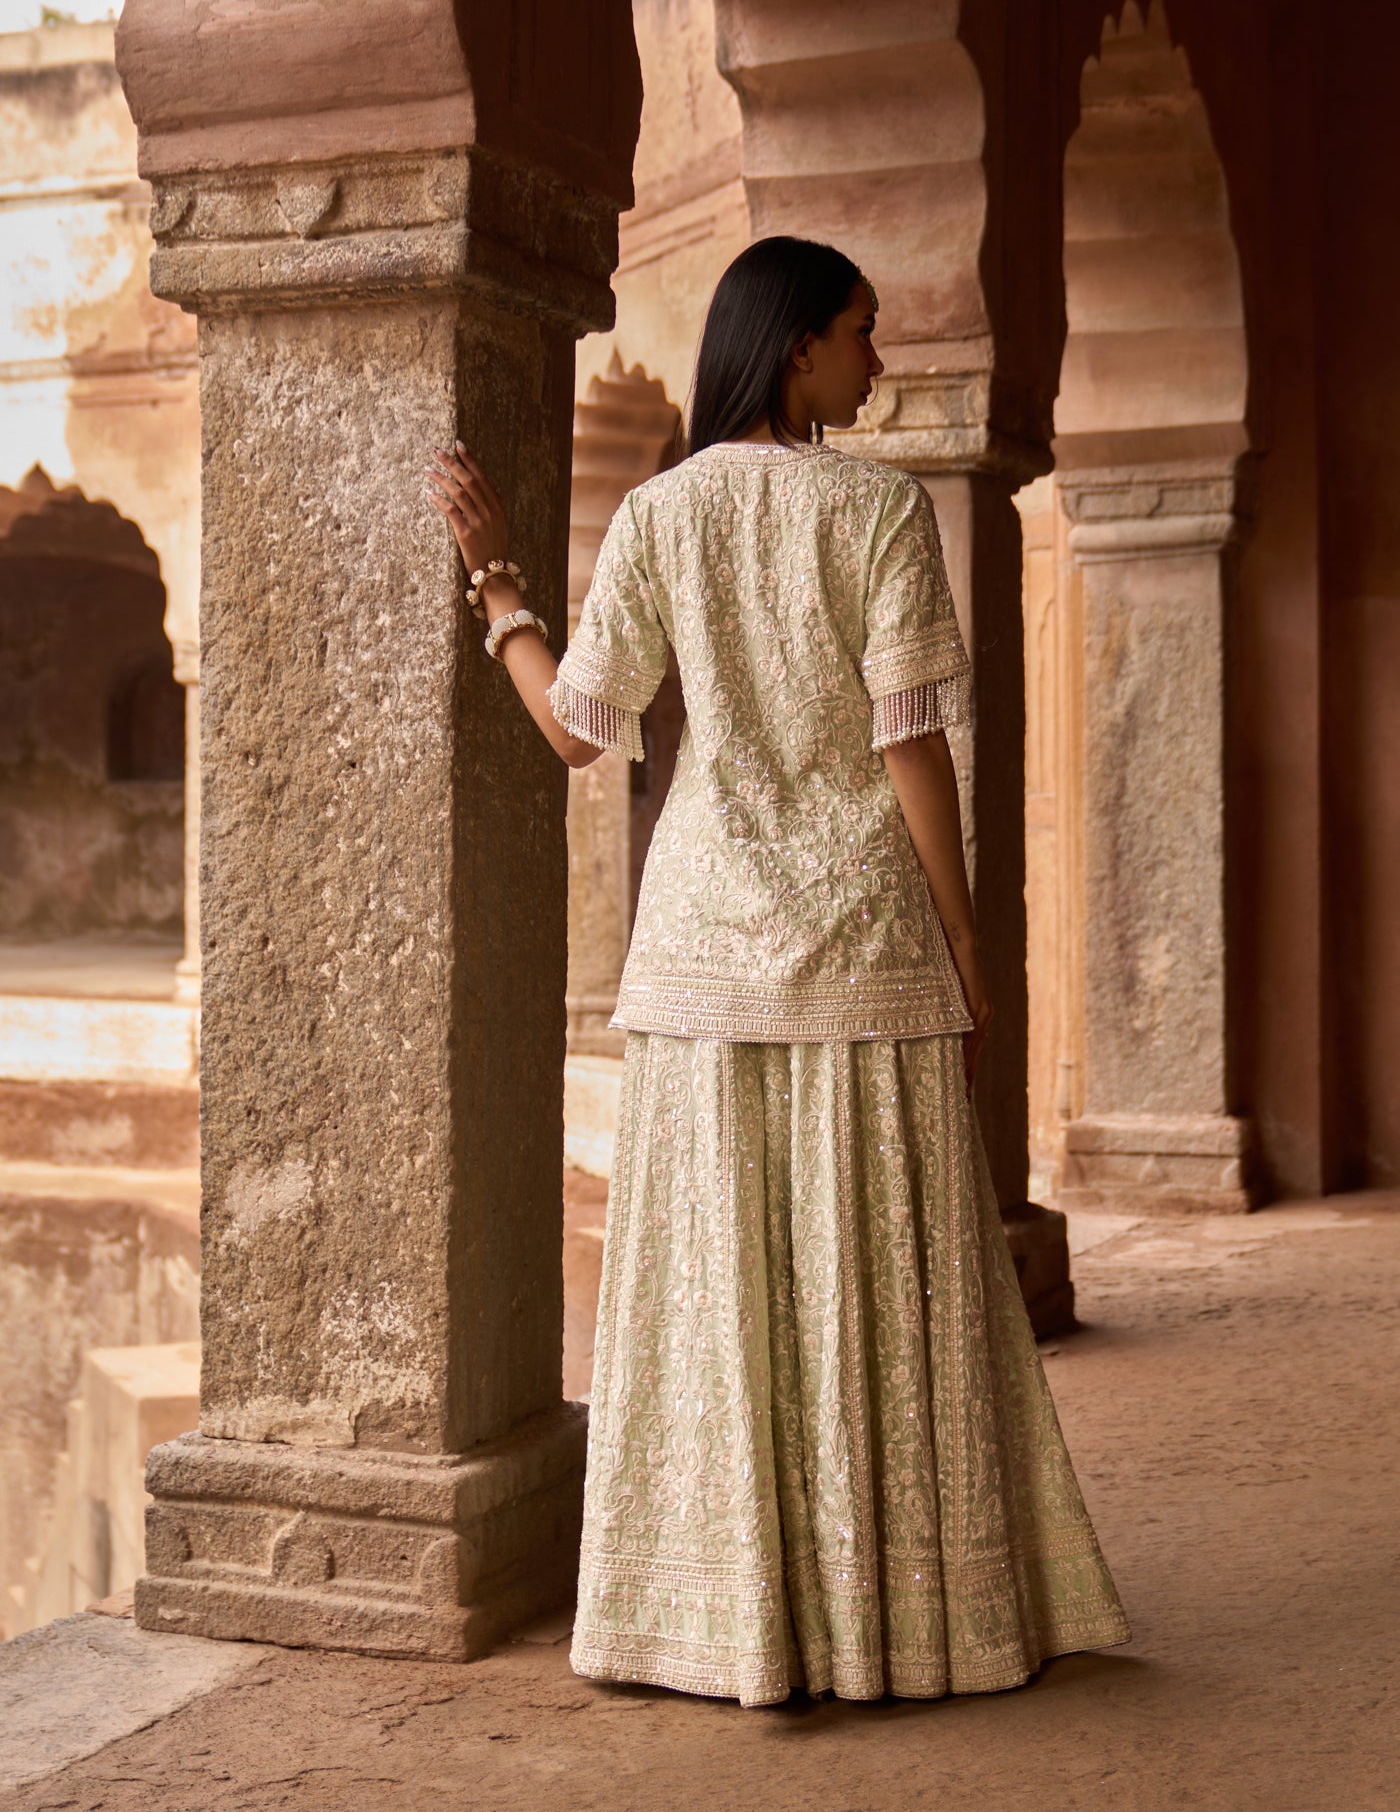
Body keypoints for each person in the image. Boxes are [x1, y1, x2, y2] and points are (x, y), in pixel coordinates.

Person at [426, 235, 1130, 1707]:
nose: (877, 360)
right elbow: (908, 746)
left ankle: (726, 1620)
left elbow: (575, 731)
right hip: (865, 945)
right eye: (862, 334)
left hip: (699, 955)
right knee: (873, 1281)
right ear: (796, 344)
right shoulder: (872, 512)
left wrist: (499, 589)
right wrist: (965, 936)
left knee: (721, 1292)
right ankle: (904, 1618)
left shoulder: (659, 514)